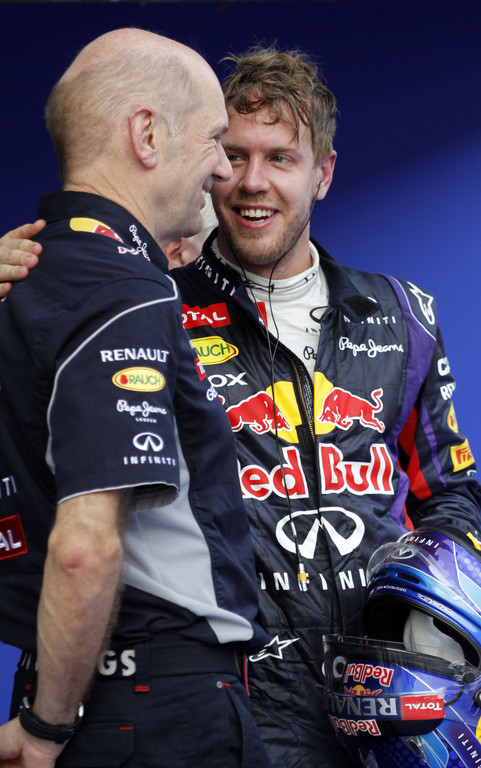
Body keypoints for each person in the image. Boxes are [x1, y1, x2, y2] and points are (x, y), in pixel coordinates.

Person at [3, 44, 481, 768]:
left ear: (323, 172)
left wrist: (427, 634)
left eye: (281, 158)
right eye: (234, 155)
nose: (252, 182)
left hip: (379, 710)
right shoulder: (147, 300)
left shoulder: (402, 314)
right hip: (224, 701)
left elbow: (449, 495)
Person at [0, 29, 272, 768]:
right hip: (155, 707)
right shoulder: (123, 291)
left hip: (70, 685)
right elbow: (84, 547)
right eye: (214, 139)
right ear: (147, 134)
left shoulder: (22, 285)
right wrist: (47, 731)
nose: (223, 169)